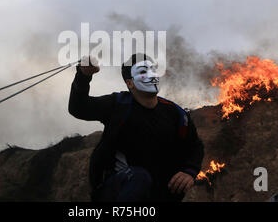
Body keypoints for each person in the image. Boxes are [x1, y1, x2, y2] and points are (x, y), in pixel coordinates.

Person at [68, 54, 204, 202]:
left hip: (159, 193)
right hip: (118, 189)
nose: (151, 75)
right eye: (143, 71)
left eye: (153, 69)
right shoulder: (118, 105)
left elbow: (194, 145)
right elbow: (78, 108)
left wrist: (189, 171)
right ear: (130, 83)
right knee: (139, 178)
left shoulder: (176, 113)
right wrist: (83, 76)